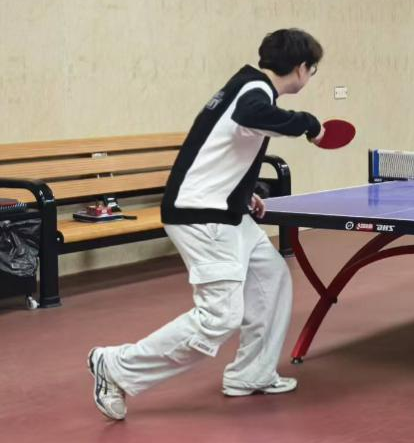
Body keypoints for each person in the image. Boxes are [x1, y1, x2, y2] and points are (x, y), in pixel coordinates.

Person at [88, 28, 327, 421]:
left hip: (226, 210)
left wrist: (243, 192)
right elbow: (250, 117)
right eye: (312, 69)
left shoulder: (245, 85)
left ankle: (252, 373)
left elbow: (224, 144)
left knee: (271, 278)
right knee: (220, 317)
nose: (310, 76)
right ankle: (115, 366)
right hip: (202, 216)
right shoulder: (253, 92)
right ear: (301, 68)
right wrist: (309, 123)